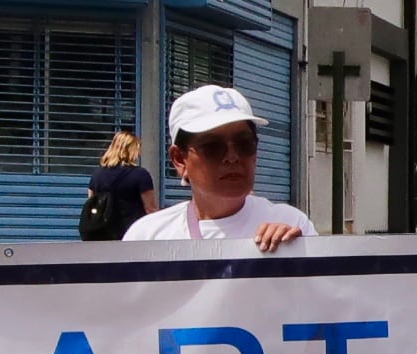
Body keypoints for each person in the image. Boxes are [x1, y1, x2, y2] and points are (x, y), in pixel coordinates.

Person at [125, 86, 315, 251]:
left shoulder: (292, 225)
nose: (232, 157)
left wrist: (299, 258)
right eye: (212, 147)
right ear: (179, 159)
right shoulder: (148, 237)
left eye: (244, 144)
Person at [82, 128, 157, 241]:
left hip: (103, 234)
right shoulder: (140, 175)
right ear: (131, 150)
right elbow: (150, 209)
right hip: (132, 234)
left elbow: (92, 202)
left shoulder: (97, 175)